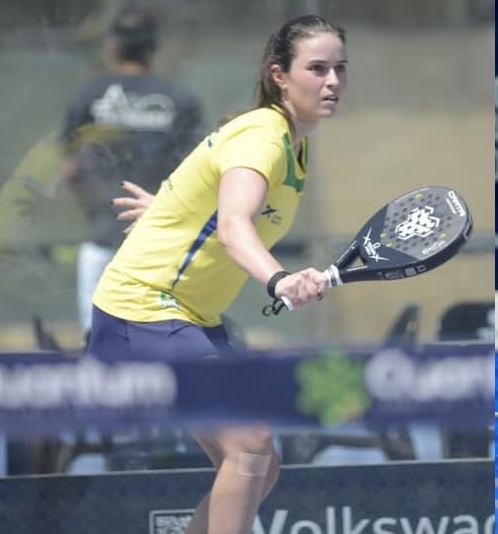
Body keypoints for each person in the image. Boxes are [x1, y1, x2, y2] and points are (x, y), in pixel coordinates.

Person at [86, 14, 347, 532]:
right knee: (249, 443)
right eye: (317, 69)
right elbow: (232, 224)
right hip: (143, 308)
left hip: (189, 315)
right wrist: (280, 280)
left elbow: (211, 197)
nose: (333, 81)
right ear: (280, 75)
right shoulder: (264, 138)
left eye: (340, 68)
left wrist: (169, 209)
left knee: (261, 464)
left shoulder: (294, 143)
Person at [61, 2, 205, 342]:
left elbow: (70, 169)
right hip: (160, 243)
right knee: (160, 341)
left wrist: (98, 208)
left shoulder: (87, 97)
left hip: (101, 236)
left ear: (112, 45)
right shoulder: (180, 100)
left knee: (96, 343)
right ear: (153, 47)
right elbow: (199, 173)